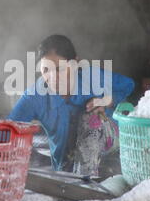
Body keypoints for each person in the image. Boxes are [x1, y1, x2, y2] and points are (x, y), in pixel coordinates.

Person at [8, 35, 135, 177]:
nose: (52, 77)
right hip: (67, 163)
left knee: (91, 117)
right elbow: (8, 131)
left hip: (112, 150)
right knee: (66, 170)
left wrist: (107, 101)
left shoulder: (92, 78)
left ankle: (85, 182)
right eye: (46, 70)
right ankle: (75, 178)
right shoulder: (34, 96)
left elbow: (128, 85)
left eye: (59, 69)